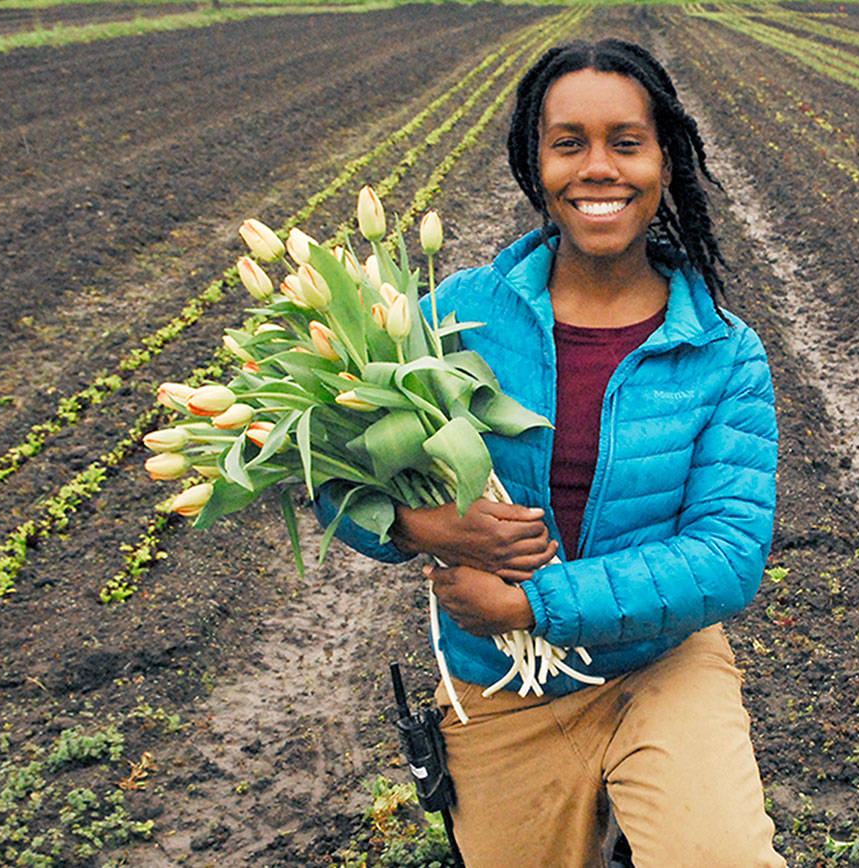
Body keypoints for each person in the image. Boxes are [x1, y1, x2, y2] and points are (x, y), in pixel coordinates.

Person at [318, 38, 783, 867]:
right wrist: (433, 532)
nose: (598, 168)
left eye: (626, 143)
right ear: (537, 167)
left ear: (665, 163)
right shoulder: (458, 315)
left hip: (659, 664)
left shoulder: (722, 350)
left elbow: (726, 559)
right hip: (500, 681)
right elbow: (335, 480)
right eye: (569, 144)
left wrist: (535, 605)